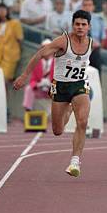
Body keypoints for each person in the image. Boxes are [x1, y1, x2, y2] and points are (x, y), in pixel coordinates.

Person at [14, 10, 95, 178]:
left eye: (83, 24)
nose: (80, 27)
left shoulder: (91, 43)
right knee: (58, 130)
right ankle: (69, 109)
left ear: (89, 26)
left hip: (80, 85)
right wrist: (24, 76)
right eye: (77, 24)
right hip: (60, 87)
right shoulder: (62, 41)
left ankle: (75, 161)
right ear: (72, 25)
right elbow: (39, 54)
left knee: (83, 121)